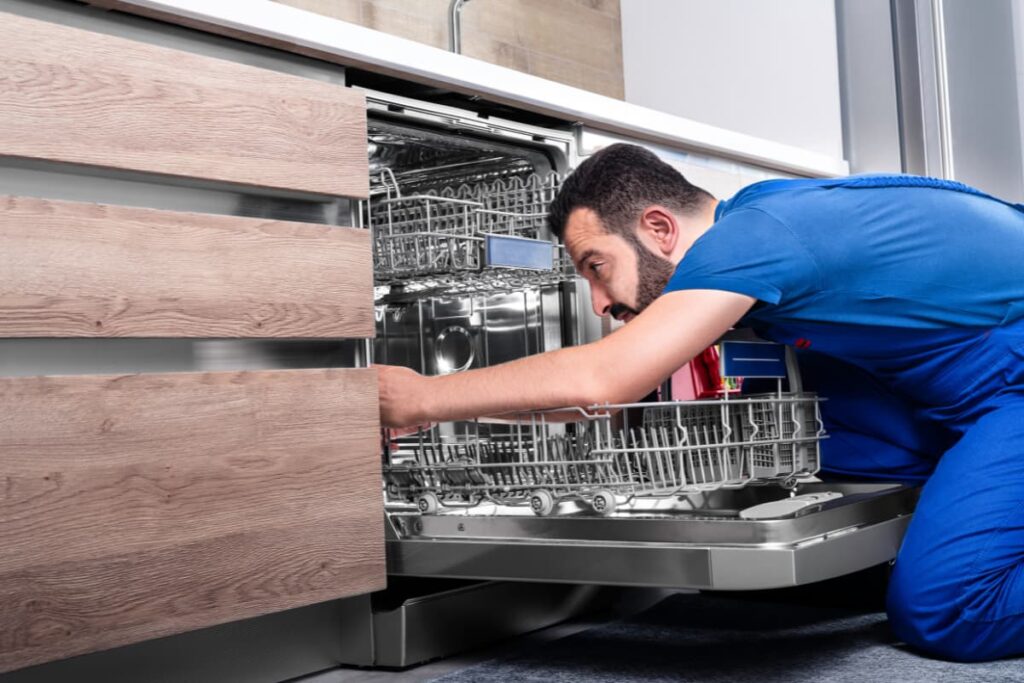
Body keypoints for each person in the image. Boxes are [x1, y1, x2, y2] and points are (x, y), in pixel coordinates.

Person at [377, 143, 1024, 663]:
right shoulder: (759, 218)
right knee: (818, 426)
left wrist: (423, 397)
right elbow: (590, 398)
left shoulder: (752, 239)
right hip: (969, 381)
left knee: (943, 608)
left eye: (596, 266)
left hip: (1010, 382)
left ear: (659, 228)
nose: (597, 303)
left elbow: (602, 380)